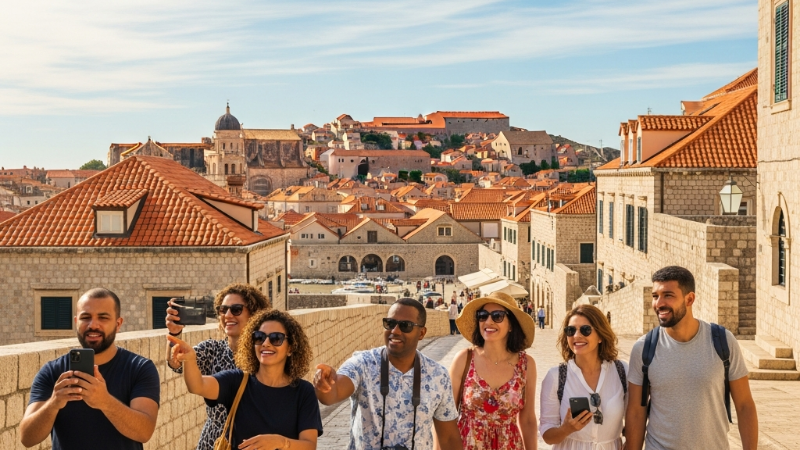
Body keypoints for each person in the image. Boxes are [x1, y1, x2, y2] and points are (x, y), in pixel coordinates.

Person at [625, 266, 758, 450]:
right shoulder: (643, 348)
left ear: (690, 299)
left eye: (668, 295)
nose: (659, 303)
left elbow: (744, 405)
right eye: (655, 296)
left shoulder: (723, 341)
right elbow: (635, 412)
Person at [314, 298, 463, 450]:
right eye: (390, 323)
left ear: (421, 333)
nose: (395, 331)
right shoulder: (362, 363)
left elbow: (449, 439)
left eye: (405, 326)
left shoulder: (438, 376)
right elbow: (333, 393)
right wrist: (326, 384)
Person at [20, 288, 160, 449]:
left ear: (118, 324)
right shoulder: (52, 372)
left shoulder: (139, 368)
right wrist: (54, 403)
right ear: (76, 322)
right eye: (85, 317)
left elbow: (144, 432)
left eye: (103, 317)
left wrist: (105, 401)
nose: (93, 325)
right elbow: (27, 438)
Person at [169, 309, 322, 449]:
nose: (265, 343)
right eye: (259, 337)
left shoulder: (304, 392)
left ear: (290, 348)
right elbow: (198, 385)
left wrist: (280, 442)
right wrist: (189, 360)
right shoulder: (236, 381)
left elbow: (309, 445)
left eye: (276, 338)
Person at [164, 283, 271, 450]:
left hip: (255, 443)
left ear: (254, 315)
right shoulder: (212, 350)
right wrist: (174, 333)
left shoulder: (266, 353)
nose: (228, 315)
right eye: (223, 310)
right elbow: (176, 364)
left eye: (236, 309)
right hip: (215, 442)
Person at [450, 292, 538, 449]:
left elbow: (528, 420)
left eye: (497, 316)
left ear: (511, 325)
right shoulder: (464, 359)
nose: (488, 321)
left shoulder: (526, 365)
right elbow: (446, 417)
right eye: (483, 315)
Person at [540, 304, 627, 450]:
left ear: (600, 336)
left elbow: (635, 421)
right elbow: (547, 435)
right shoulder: (555, 376)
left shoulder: (621, 371)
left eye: (585, 330)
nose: (576, 336)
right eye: (571, 330)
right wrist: (566, 429)